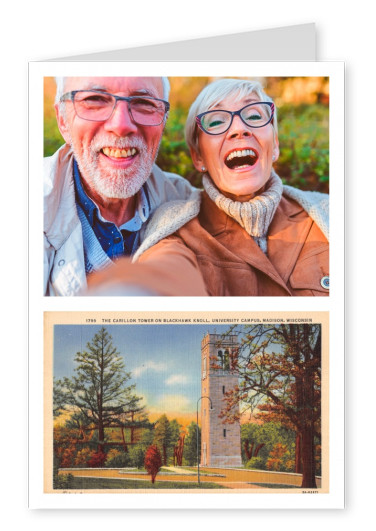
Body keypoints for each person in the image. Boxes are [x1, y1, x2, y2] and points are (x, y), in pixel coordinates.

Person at [87, 78, 329, 296]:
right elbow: (165, 271)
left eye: (254, 116)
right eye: (216, 121)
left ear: (274, 144)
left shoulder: (328, 213)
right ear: (198, 157)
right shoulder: (176, 229)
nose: (239, 129)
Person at [44, 76, 198, 296]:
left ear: (163, 121)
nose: (121, 125)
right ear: (62, 120)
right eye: (95, 99)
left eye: (144, 103)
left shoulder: (187, 204)